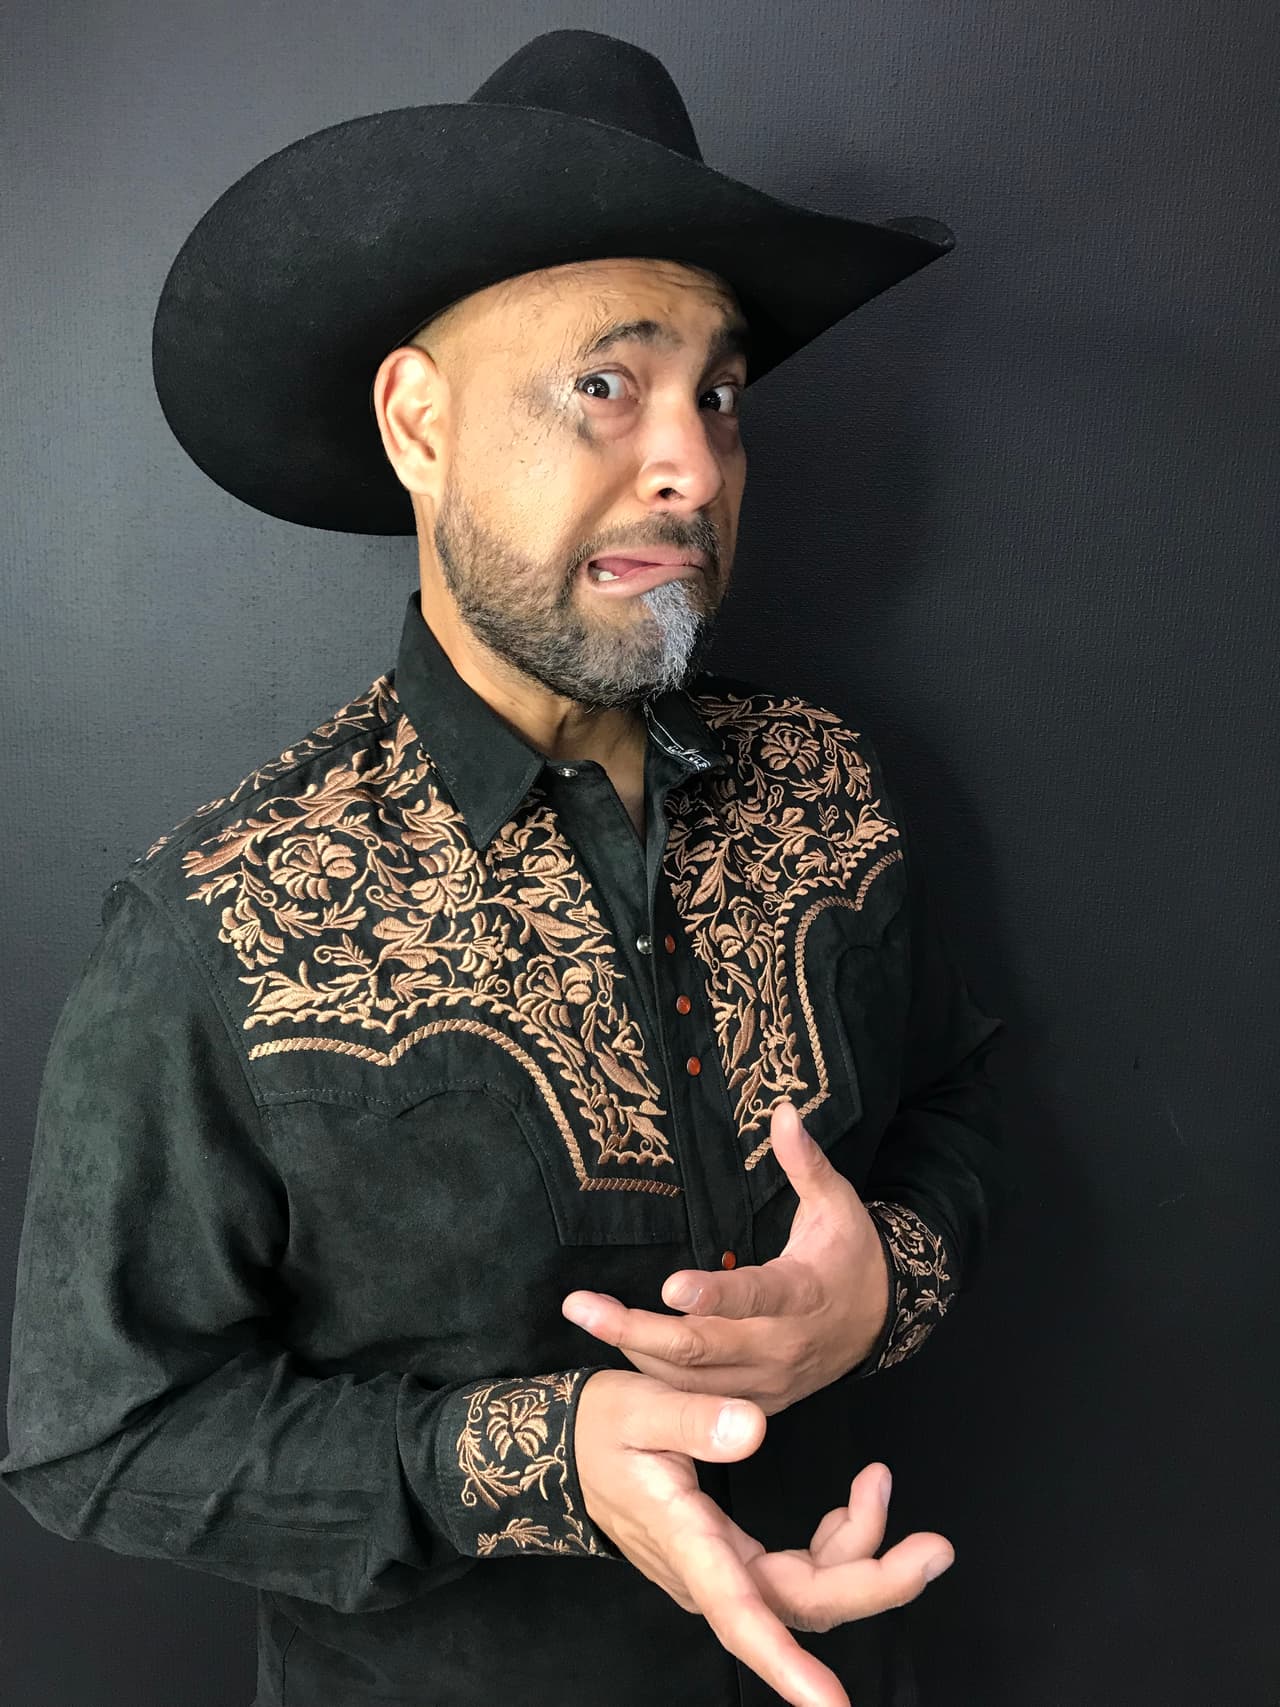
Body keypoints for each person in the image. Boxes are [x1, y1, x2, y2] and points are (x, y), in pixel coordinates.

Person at [0, 27, 1012, 1707]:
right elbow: (96, 1436)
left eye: (720, 395)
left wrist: (879, 1289)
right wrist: (534, 1457)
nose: (692, 465)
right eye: (607, 385)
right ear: (420, 423)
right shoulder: (223, 923)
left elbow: (959, 1109)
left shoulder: (827, 788)